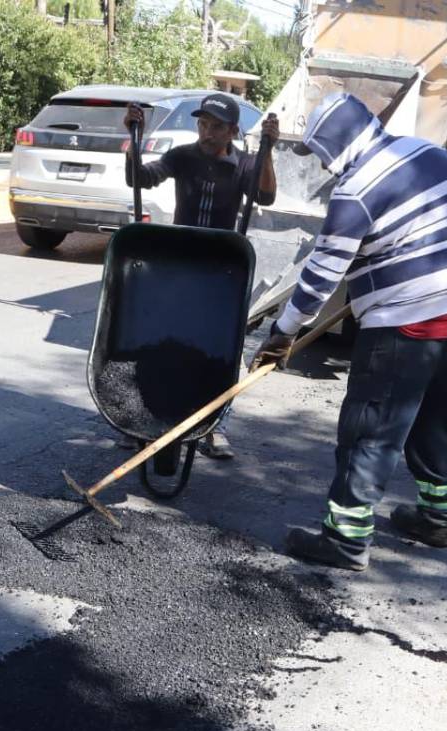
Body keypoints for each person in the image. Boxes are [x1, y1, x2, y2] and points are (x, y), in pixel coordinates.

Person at [252, 92, 447, 571]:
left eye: (320, 153)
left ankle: (345, 539)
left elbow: (319, 279)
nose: (321, 165)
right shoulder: (430, 153)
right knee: (434, 416)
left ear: (336, 144)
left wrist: (281, 332)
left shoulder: (355, 191)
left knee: (370, 430)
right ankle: (439, 516)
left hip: (405, 323)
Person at [120, 93, 279, 460]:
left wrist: (267, 150)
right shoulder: (182, 157)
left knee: (222, 353)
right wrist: (133, 137)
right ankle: (136, 422)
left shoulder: (243, 166)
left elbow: (266, 196)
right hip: (178, 268)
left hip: (220, 271)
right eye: (203, 124)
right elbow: (140, 178)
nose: (207, 132)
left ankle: (213, 428)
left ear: (233, 131)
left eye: (216, 127)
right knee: (154, 343)